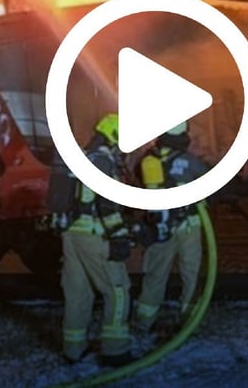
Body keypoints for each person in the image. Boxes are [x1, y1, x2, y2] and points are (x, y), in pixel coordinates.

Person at [58, 113, 135, 367]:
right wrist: (119, 235)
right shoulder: (103, 160)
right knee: (117, 291)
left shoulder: (80, 156)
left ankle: (73, 349)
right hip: (94, 234)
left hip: (71, 235)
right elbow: (106, 201)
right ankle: (115, 351)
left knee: (78, 293)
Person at [132, 120, 210, 335]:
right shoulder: (190, 161)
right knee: (191, 273)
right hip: (188, 226)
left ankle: (144, 321)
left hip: (160, 227)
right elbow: (209, 183)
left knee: (156, 274)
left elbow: (138, 179)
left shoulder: (147, 160)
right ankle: (189, 321)